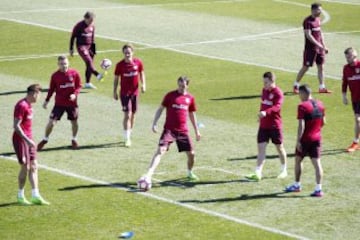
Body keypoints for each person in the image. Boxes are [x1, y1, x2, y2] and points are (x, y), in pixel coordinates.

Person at [140, 76, 201, 184]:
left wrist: (197, 131)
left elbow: (192, 114)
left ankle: (189, 172)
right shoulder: (170, 96)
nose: (181, 87)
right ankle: (149, 174)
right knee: (160, 151)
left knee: (191, 154)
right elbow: (160, 109)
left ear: (187, 85)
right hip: (169, 130)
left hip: (183, 131)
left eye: (183, 86)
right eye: (180, 85)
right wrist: (154, 123)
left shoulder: (190, 98)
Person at [245, 72, 287, 181]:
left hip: (274, 126)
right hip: (263, 125)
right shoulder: (264, 91)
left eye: (266, 82)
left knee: (279, 148)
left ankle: (284, 170)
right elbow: (263, 104)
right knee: (261, 149)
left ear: (272, 81)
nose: (264, 85)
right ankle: (258, 172)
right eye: (263, 82)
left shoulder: (278, 93)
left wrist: (266, 113)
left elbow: (277, 107)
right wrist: (260, 115)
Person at [285, 84, 325, 197]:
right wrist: (316, 129)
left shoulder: (302, 106)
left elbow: (301, 125)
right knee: (317, 164)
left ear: (303, 93)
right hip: (317, 138)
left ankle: (297, 185)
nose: (299, 96)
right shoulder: (321, 104)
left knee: (298, 160)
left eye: (299, 94)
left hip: (306, 139)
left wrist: (298, 140)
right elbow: (323, 122)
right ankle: (318, 189)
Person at [13, 84, 50, 205]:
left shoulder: (29, 106)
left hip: (29, 139)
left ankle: (36, 195)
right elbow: (16, 126)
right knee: (25, 167)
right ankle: (20, 195)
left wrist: (30, 140)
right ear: (34, 93)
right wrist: (27, 140)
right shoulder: (21, 105)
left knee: (34, 166)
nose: (39, 97)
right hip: (20, 139)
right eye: (39, 94)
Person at [37, 55, 82, 151]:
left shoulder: (74, 73)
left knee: (74, 122)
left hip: (72, 104)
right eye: (61, 64)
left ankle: (74, 139)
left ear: (68, 63)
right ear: (58, 64)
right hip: (59, 104)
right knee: (52, 122)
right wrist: (46, 100)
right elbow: (51, 89)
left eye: (65, 63)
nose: (64, 66)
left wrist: (75, 94)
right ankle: (45, 139)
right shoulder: (55, 76)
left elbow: (79, 86)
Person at [293, 3, 331, 94]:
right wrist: (319, 45)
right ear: (313, 10)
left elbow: (320, 33)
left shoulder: (318, 19)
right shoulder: (307, 21)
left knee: (321, 67)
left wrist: (324, 45)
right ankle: (296, 85)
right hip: (310, 49)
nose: (320, 12)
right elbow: (308, 35)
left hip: (319, 48)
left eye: (321, 10)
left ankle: (322, 87)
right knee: (305, 67)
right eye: (319, 10)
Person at [113, 44, 146, 147]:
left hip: (135, 93)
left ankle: (129, 133)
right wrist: (114, 91)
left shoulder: (138, 63)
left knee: (133, 114)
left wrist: (143, 84)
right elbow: (116, 79)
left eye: (129, 52)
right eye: (125, 52)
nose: (127, 54)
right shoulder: (120, 65)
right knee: (127, 114)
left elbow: (142, 73)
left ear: (132, 52)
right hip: (124, 94)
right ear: (123, 53)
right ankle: (127, 138)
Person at [70, 11, 103, 89]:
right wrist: (71, 48)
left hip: (90, 47)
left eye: (93, 20)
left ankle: (88, 83)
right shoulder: (79, 26)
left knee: (89, 65)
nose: (91, 22)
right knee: (89, 61)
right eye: (90, 20)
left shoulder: (92, 26)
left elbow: (93, 38)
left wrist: (94, 49)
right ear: (85, 18)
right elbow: (73, 37)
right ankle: (97, 75)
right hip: (81, 47)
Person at [342, 47, 360, 152]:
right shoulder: (346, 68)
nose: (347, 59)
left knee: (358, 120)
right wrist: (344, 95)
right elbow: (345, 82)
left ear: (354, 56)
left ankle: (355, 142)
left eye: (349, 57)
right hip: (355, 99)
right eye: (346, 57)